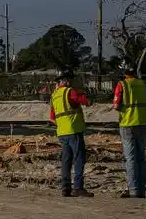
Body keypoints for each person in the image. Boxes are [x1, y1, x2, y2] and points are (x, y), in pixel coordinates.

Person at [49, 69, 94, 197]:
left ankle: (65, 187)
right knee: (79, 158)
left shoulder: (54, 96)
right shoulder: (70, 91)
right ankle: (78, 187)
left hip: (62, 132)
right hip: (74, 130)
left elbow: (52, 117)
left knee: (66, 160)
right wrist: (89, 99)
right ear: (66, 80)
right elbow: (83, 101)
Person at [112, 69, 146, 198]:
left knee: (130, 158)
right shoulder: (145, 84)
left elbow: (116, 106)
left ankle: (134, 190)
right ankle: (141, 190)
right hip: (142, 122)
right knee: (141, 157)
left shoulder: (122, 84)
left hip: (127, 123)